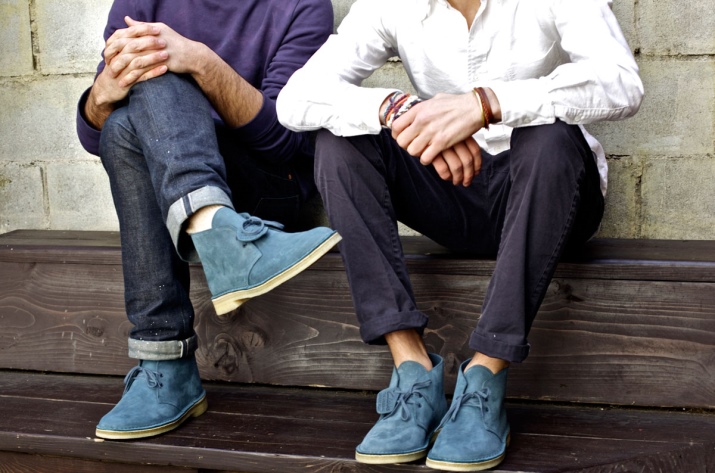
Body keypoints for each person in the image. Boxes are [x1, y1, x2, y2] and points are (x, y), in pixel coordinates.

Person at [277, 0, 643, 470]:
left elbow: (621, 82)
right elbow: (295, 98)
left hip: (551, 194)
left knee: (547, 137)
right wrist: (397, 109)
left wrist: (485, 104)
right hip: (455, 187)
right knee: (338, 142)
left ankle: (484, 377)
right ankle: (412, 371)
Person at [76, 0, 339, 440]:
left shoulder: (303, 6)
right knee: (121, 127)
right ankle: (218, 234)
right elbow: (96, 135)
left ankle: (164, 360)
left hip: (266, 189)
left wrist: (199, 61)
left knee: (162, 73)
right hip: (167, 178)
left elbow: (284, 139)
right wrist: (100, 95)